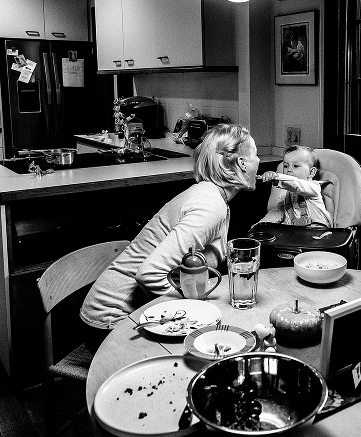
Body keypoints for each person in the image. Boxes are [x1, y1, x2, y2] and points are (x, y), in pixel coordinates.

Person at [79, 124, 260, 352]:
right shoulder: (211, 206)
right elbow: (150, 274)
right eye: (256, 155)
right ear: (242, 163)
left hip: (126, 317)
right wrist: (193, 313)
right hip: (112, 323)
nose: (259, 162)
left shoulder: (211, 195)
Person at [258, 145, 333, 227]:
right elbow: (277, 211)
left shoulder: (313, 187)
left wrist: (277, 178)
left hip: (318, 231)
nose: (289, 170)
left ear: (311, 172)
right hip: (294, 234)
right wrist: (261, 225)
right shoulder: (288, 194)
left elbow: (296, 184)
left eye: (295, 166)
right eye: (286, 166)